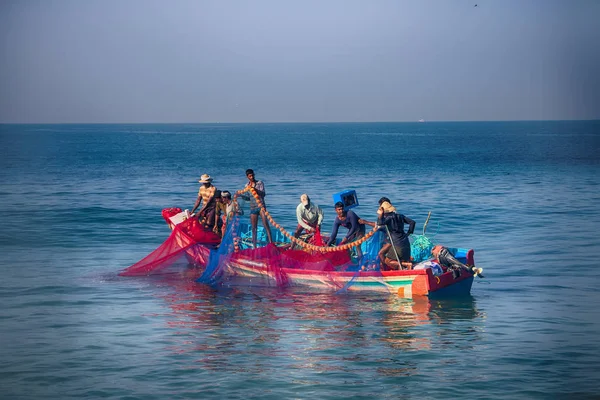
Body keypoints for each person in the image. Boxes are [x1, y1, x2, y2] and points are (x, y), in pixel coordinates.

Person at [376, 197, 416, 270]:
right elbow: (412, 222)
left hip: (396, 244)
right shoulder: (400, 216)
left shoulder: (388, 218)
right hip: (405, 241)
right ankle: (404, 267)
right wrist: (409, 233)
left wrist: (381, 215)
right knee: (398, 258)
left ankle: (406, 264)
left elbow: (379, 223)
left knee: (387, 260)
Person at [243, 169, 273, 248]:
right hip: (253, 208)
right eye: (250, 176)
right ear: (247, 177)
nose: (252, 177)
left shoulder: (259, 183)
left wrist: (255, 190)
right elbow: (248, 198)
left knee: (265, 224)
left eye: (253, 175)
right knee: (254, 228)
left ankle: (271, 243)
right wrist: (242, 196)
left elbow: (263, 194)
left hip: (261, 207)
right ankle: (254, 246)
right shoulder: (247, 186)